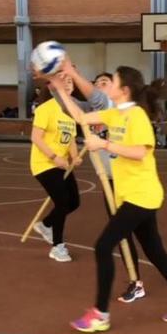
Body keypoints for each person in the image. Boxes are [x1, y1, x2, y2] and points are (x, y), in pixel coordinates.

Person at [55, 66, 167, 332]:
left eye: (111, 82)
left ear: (124, 90)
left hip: (142, 195)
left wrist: (104, 145)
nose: (107, 85)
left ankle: (100, 314)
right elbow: (80, 116)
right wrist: (59, 88)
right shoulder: (115, 114)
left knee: (103, 246)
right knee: (156, 253)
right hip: (133, 196)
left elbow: (140, 152)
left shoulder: (136, 115)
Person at [57, 65, 144, 301]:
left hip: (129, 183)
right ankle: (137, 281)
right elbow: (71, 109)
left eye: (106, 82)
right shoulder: (96, 109)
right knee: (129, 236)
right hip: (110, 182)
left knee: (129, 238)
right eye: (98, 84)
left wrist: (72, 73)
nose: (100, 87)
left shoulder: (111, 106)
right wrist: (60, 87)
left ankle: (139, 286)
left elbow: (96, 98)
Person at [28, 73, 84, 263]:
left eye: (70, 82)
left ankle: (46, 224)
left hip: (62, 164)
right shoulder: (46, 109)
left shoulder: (71, 110)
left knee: (74, 202)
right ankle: (57, 247)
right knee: (62, 202)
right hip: (44, 164)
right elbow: (36, 138)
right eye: (63, 82)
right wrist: (54, 157)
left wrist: (75, 157)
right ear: (53, 87)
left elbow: (71, 139)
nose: (68, 84)